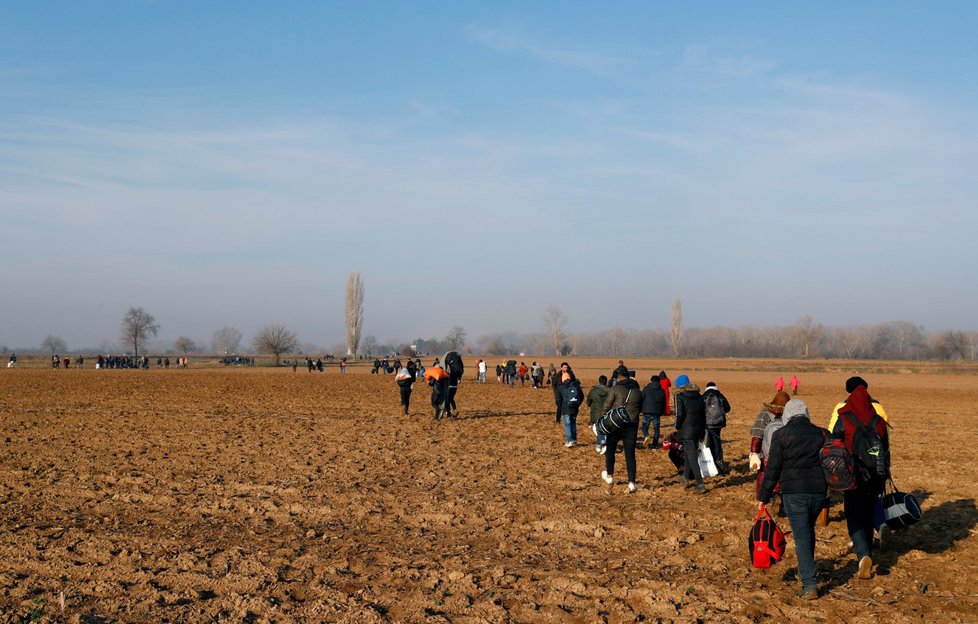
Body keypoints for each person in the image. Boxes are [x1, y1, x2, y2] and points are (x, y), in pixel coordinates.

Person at [757, 399, 827, 600]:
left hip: (794, 492)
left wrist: (764, 496)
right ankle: (806, 572)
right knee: (807, 531)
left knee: (802, 536)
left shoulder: (781, 434)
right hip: (818, 492)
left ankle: (810, 584)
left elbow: (773, 469)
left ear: (787, 415)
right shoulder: (820, 433)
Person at [832, 382, 890, 580]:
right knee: (868, 513)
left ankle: (863, 554)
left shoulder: (844, 418)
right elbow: (886, 450)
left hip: (853, 475)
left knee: (854, 515)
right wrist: (884, 474)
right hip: (876, 476)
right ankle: (868, 552)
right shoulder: (879, 421)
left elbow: (834, 446)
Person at [600, 370, 642, 493]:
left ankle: (610, 476)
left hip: (615, 424)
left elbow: (606, 405)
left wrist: (602, 420)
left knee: (610, 450)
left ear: (618, 378)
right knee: (630, 455)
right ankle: (631, 483)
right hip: (632, 426)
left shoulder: (615, 389)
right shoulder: (637, 391)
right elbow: (640, 408)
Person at [749, 391, 791, 500]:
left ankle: (763, 497)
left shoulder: (764, 414)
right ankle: (781, 496)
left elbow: (757, 435)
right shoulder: (789, 416)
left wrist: (754, 452)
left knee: (763, 474)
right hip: (785, 452)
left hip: (767, 453)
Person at [674, 374, 707, 494]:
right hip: (697, 430)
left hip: (686, 431)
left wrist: (677, 426)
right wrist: (702, 431)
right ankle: (685, 477)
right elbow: (703, 415)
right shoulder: (698, 396)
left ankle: (700, 483)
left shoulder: (679, 396)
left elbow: (679, 414)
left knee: (692, 457)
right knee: (689, 453)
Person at [702, 381, 732, 474]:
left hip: (708, 423)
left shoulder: (704, 396)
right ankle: (718, 461)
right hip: (719, 423)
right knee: (717, 441)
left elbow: (701, 410)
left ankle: (711, 463)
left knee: (709, 442)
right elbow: (728, 408)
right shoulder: (720, 395)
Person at [556, 370, 584, 448]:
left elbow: (558, 400)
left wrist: (560, 407)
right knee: (573, 423)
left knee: (567, 424)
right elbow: (581, 396)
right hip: (575, 408)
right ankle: (574, 440)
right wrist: (578, 404)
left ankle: (569, 441)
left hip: (565, 409)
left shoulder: (560, 387)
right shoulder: (576, 385)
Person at [640, 375, 666, 449]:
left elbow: (641, 398)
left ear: (651, 380)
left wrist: (642, 409)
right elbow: (663, 402)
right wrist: (661, 412)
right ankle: (655, 444)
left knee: (645, 427)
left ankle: (646, 436)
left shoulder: (646, 389)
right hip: (657, 413)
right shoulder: (662, 390)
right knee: (656, 429)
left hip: (647, 411)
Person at [586, 375, 611, 454]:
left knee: (597, 429)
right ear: (606, 382)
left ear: (599, 381)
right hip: (606, 413)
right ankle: (598, 445)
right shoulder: (610, 391)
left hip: (595, 414)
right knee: (602, 429)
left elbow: (588, 402)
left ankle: (603, 442)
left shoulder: (593, 391)